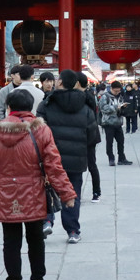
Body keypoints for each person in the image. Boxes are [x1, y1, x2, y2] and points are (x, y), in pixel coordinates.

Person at [0, 88, 76, 280]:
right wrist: (66, 193)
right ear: (31, 108)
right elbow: (53, 166)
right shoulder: (41, 131)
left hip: (4, 192)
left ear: (9, 108)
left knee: (10, 240)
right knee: (35, 238)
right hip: (34, 191)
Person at [39, 69, 95, 243]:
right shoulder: (85, 106)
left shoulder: (47, 104)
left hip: (51, 157)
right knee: (73, 193)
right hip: (76, 158)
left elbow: (38, 133)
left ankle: (47, 220)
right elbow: (92, 136)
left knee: (48, 189)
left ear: (61, 83)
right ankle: (72, 231)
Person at [77, 71, 102, 202]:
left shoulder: (83, 97)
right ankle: (96, 192)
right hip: (91, 135)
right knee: (92, 165)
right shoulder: (89, 96)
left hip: (86, 135)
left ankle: (94, 192)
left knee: (88, 165)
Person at [99, 81, 133, 166]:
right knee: (109, 142)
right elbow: (103, 108)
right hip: (108, 122)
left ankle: (121, 158)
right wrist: (115, 107)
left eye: (119, 91)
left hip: (118, 122)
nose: (117, 92)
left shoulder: (120, 97)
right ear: (111, 89)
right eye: (116, 91)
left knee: (121, 141)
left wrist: (122, 107)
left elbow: (120, 107)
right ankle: (111, 158)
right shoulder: (105, 96)